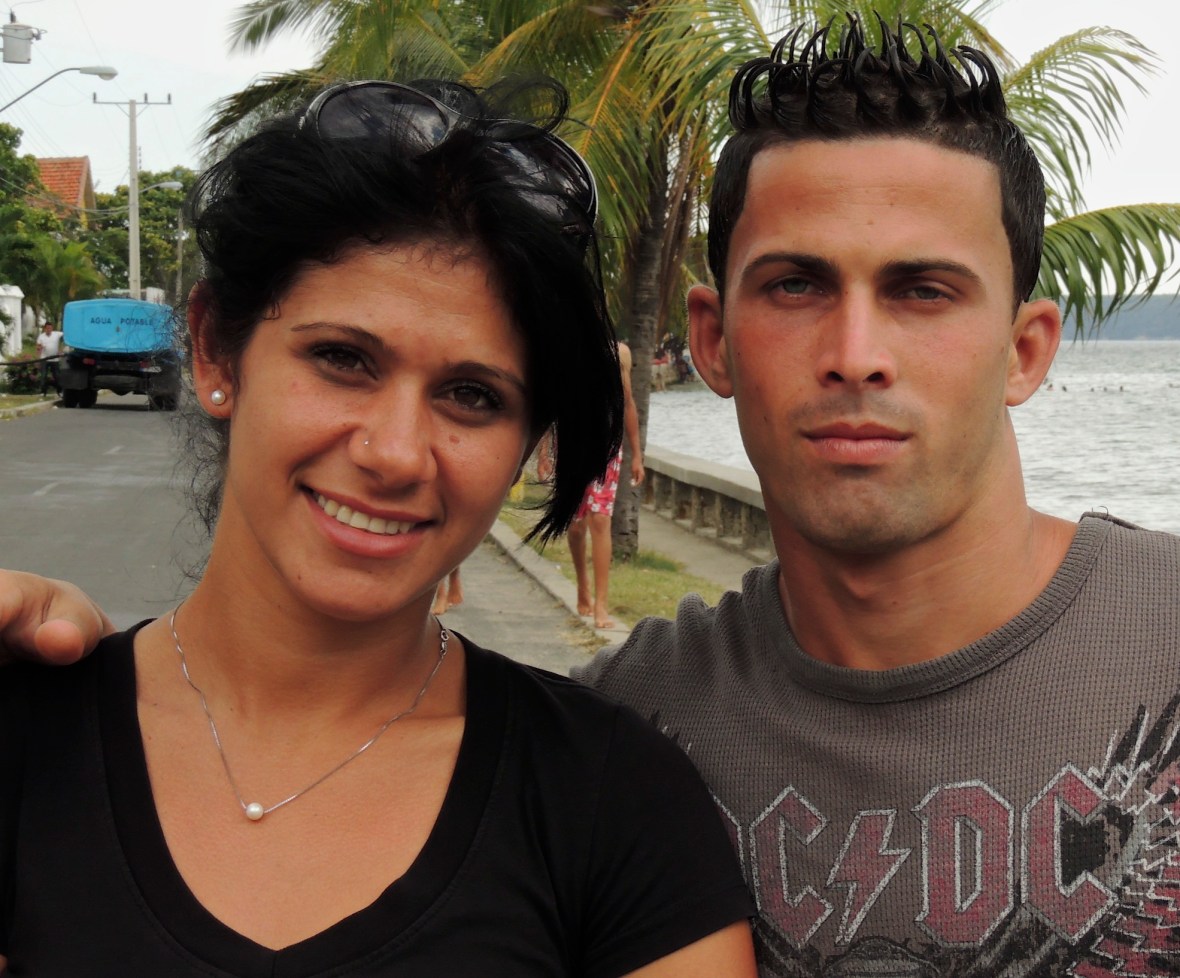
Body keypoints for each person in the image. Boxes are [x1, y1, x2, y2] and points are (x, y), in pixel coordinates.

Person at [7, 18, 1180, 977]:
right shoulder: (643, 726)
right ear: (710, 339)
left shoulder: (605, 785)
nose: (856, 354)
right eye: (795, 285)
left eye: (922, 291)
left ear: (1026, 349)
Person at [0, 78, 756, 976]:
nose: (396, 454)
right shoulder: (27, 739)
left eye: (472, 396)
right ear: (213, 350)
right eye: (343, 359)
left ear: (526, 443)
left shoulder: (614, 804)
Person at [539, 341, 645, 630]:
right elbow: (555, 404)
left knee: (600, 519)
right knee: (575, 526)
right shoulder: (570, 349)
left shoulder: (620, 353)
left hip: (606, 450)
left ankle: (601, 604)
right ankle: (583, 585)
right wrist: (544, 451)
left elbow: (628, 403)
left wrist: (637, 454)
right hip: (570, 448)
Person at [35, 320, 63, 395]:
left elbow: (66, 337)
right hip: (44, 358)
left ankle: (60, 391)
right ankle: (43, 392)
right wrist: (38, 360)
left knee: (57, 375)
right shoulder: (41, 336)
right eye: (47, 328)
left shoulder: (57, 334)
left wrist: (61, 350)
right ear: (45, 329)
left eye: (50, 328)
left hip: (55, 359)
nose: (49, 330)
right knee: (43, 375)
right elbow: (38, 348)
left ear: (52, 328)